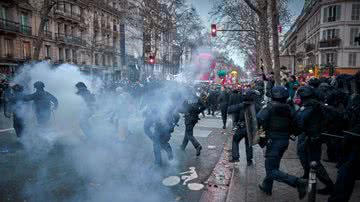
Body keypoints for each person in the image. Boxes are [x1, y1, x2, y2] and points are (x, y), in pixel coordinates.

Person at [257, 86, 307, 199]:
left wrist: (260, 137)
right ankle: (267, 186)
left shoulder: (268, 107)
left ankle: (297, 182)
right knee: (274, 164)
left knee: (271, 170)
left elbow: (258, 120)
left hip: (273, 141)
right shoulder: (290, 108)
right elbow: (297, 125)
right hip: (284, 141)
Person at [294, 85, 335, 195]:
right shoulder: (316, 104)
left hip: (312, 137)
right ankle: (308, 175)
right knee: (304, 155)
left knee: (314, 162)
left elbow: (300, 120)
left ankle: (329, 185)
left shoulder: (310, 105)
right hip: (314, 136)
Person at [329, 72, 360, 202]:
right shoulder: (354, 98)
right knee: (345, 174)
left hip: (355, 142)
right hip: (352, 142)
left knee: (346, 174)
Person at [227, 90, 253, 165]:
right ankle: (249, 160)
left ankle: (235, 157)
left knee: (235, 140)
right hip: (250, 128)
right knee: (249, 143)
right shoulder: (256, 106)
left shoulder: (242, 105)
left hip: (242, 127)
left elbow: (230, 109)